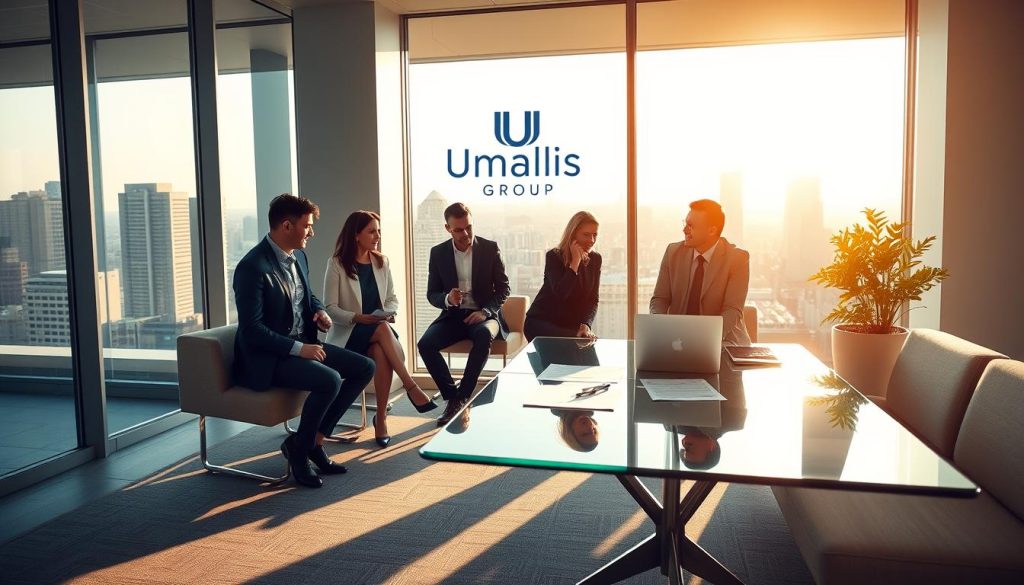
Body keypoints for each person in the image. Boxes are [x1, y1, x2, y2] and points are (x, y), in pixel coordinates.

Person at [233, 194, 375, 489]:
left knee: (364, 367)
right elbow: (252, 330)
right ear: (287, 225)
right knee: (330, 380)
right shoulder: (252, 267)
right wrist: (300, 349)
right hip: (270, 356)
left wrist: (319, 311)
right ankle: (300, 452)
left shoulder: (298, 256)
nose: (312, 232)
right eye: (307, 226)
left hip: (301, 342)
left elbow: (306, 296)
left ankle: (310, 441)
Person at [323, 210, 437, 448]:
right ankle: (410, 387)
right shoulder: (336, 264)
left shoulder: (381, 262)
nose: (377, 236)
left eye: (378, 231)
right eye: (372, 231)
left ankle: (382, 417)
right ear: (356, 235)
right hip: (349, 335)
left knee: (380, 349)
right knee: (382, 331)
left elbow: (392, 298)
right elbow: (330, 308)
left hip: (377, 331)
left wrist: (388, 311)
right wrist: (357, 317)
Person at [417, 202, 510, 427]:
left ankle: (463, 396)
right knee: (425, 344)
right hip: (453, 316)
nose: (465, 233)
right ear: (448, 228)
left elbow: (504, 288)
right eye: (459, 229)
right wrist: (448, 299)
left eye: (469, 227)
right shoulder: (438, 253)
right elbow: (432, 293)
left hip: (485, 315)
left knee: (482, 335)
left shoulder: (489, 248)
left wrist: (486, 311)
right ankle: (452, 397)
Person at [650, 199, 752, 346]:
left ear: (712, 230)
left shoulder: (737, 259)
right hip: (678, 343)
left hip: (724, 342)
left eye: (690, 226)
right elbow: (660, 299)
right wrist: (661, 330)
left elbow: (732, 310)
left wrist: (704, 340)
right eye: (685, 224)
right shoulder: (673, 252)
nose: (684, 230)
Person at [524, 211, 602, 342]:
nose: (592, 240)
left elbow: (593, 299)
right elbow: (562, 293)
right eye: (586, 235)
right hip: (542, 323)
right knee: (581, 341)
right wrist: (575, 262)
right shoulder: (554, 256)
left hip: (571, 326)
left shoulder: (595, 259)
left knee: (586, 344)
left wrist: (586, 324)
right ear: (573, 234)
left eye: (595, 235)